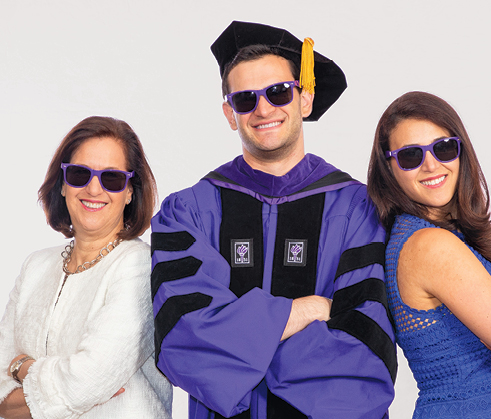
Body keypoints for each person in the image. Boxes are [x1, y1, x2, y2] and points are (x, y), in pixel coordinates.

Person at [150, 21, 396, 419]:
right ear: (230, 114)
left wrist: (239, 349)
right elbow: (183, 342)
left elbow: (365, 360)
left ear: (305, 98)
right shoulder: (187, 214)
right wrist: (304, 311)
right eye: (245, 99)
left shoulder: (359, 210)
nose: (263, 108)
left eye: (279, 92)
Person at [367, 91, 491, 418]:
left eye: (443, 148)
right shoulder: (429, 246)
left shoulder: (445, 237)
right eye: (411, 156)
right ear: (389, 168)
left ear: (460, 151)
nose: (431, 165)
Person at [0, 116, 172, 419]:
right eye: (79, 174)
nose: (94, 189)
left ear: (130, 191)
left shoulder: (140, 266)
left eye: (112, 178)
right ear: (63, 185)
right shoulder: (36, 266)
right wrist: (68, 390)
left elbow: (85, 382)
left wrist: (21, 367)